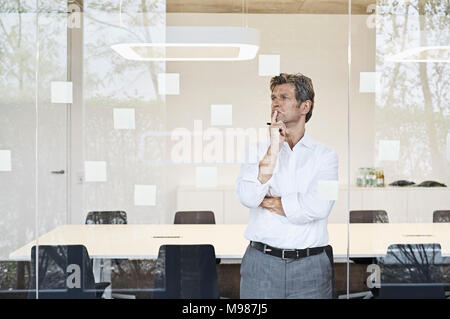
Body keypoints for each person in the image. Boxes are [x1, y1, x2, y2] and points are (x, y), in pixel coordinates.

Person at [236, 73, 338, 299]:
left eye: (284, 97)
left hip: (311, 267)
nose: (275, 102)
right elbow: (247, 197)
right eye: (273, 97)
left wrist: (270, 201)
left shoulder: (326, 156)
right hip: (261, 264)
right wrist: (274, 148)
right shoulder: (256, 150)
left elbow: (320, 207)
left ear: (305, 106)